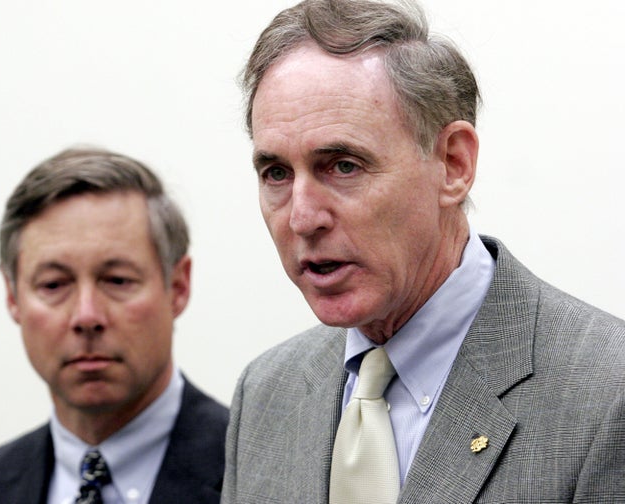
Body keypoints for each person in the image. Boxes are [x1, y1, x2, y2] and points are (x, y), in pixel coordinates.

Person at [222, 0, 625, 502]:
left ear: (453, 165)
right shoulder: (265, 393)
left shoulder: (608, 393)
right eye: (276, 173)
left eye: (343, 166)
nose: (302, 218)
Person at [0, 148, 228, 504]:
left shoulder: (269, 476)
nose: (86, 316)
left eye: (117, 280)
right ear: (12, 296)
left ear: (178, 287)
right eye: (53, 285)